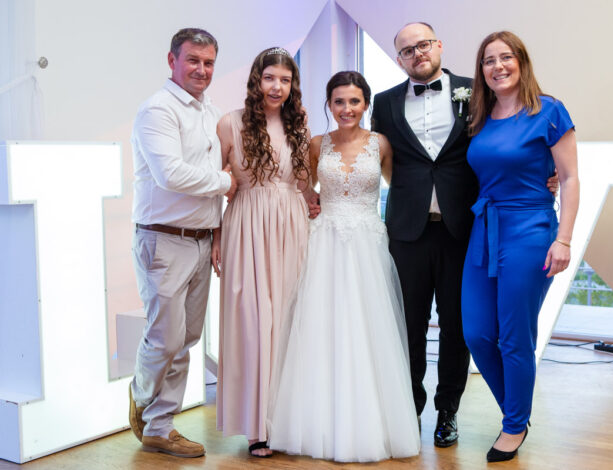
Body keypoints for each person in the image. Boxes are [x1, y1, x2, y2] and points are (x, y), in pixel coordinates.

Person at [267, 71, 421, 462]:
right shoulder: (317, 144)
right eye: (339, 101)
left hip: (368, 243)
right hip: (326, 243)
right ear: (329, 105)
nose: (347, 109)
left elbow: (401, 187)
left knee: (370, 328)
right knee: (323, 328)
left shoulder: (380, 144)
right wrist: (310, 203)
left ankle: (373, 425)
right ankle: (317, 424)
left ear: (366, 104)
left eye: (354, 101)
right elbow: (304, 188)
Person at [461, 31, 579, 463]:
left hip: (530, 228)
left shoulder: (548, 110)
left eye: (505, 57)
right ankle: (517, 413)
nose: (498, 66)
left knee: (514, 336)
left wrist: (563, 239)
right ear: (481, 71)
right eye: (488, 60)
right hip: (484, 228)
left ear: (521, 61)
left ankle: (513, 425)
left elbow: (569, 178)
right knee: (477, 333)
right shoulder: (479, 115)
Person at [129, 28, 236, 458]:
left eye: (209, 62)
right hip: (164, 239)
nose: (202, 70)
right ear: (172, 60)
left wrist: (216, 232)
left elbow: (207, 177)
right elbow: (170, 174)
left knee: (187, 336)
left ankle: (160, 427)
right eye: (193, 60)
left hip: (200, 241)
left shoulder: (210, 111)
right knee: (165, 338)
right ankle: (141, 393)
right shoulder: (158, 110)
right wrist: (227, 182)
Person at [370, 22, 477, 448]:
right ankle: (408, 410)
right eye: (408, 50)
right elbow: (380, 160)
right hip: (406, 232)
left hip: (460, 230)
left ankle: (448, 410)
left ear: (439, 46)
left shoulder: (474, 91)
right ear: (399, 59)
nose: (418, 53)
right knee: (408, 326)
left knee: (457, 326)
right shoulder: (384, 102)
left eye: (424, 45)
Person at [212, 47, 317, 458]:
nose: (277, 86)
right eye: (269, 77)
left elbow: (305, 185)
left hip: (292, 224)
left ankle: (288, 418)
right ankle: (258, 426)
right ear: (256, 80)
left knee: (289, 319)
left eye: (285, 80)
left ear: (293, 86)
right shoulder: (230, 123)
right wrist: (216, 235)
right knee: (254, 322)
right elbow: (213, 185)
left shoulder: (299, 124)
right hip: (247, 226)